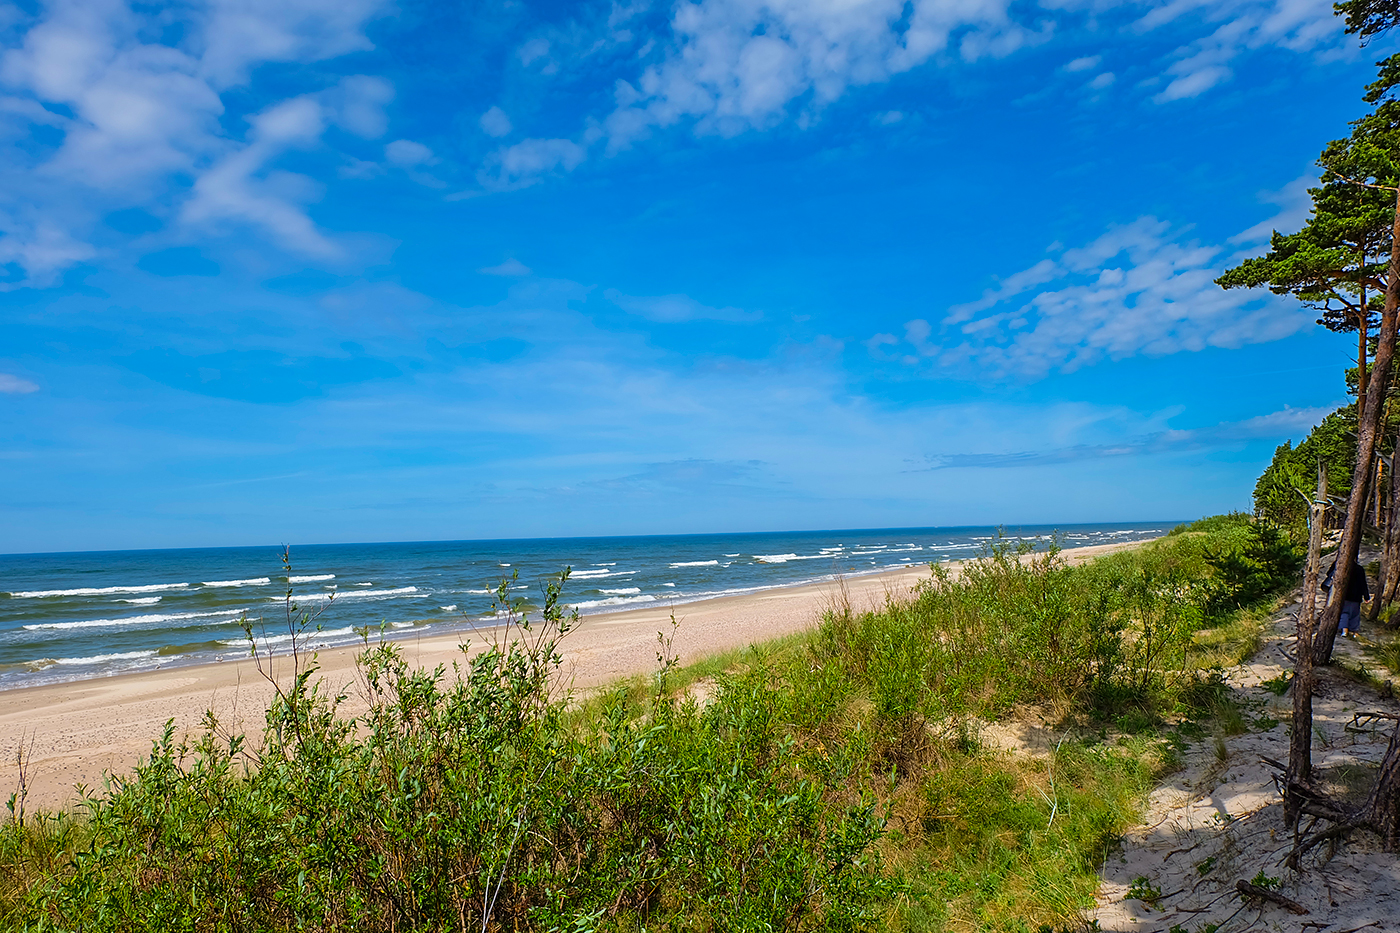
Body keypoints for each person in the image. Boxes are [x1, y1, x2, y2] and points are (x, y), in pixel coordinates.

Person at [1323, 558, 1371, 639]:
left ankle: (1344, 630)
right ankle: (1354, 631)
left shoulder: (1338, 566)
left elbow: (1328, 573)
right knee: (1355, 614)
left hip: (1343, 595)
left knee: (1344, 613)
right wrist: (1366, 596)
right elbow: (1363, 584)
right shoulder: (1359, 569)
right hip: (1356, 595)